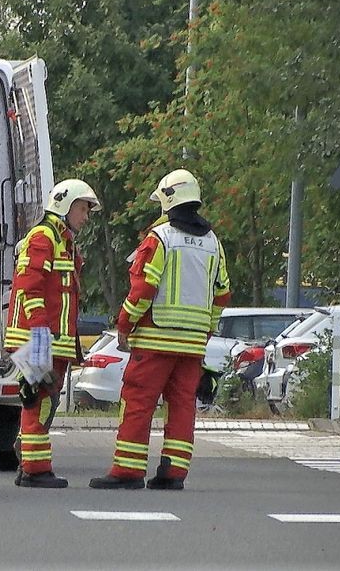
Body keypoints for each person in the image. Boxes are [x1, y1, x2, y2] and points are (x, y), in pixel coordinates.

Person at [90, 169, 230, 490]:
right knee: (182, 406)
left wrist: (124, 325)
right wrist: (205, 330)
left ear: (168, 200)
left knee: (138, 401)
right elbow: (222, 294)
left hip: (155, 339)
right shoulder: (213, 242)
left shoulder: (160, 238)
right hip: (192, 345)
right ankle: (173, 474)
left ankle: (127, 471)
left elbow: (143, 289)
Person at [5, 179, 101, 488]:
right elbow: (29, 287)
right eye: (83, 209)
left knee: (42, 399)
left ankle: (29, 465)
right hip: (39, 339)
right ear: (65, 204)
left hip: (50, 341)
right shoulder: (44, 237)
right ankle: (36, 469)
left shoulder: (62, 241)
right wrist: (39, 337)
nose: (86, 217)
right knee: (39, 400)